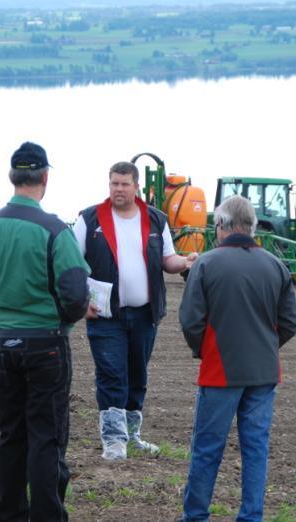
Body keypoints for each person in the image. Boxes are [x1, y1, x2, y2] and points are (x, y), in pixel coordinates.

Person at [0, 142, 89, 521]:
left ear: (11, 177)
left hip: (4, 343)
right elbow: (75, 294)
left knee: (12, 435)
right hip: (47, 345)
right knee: (46, 435)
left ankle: (11, 514)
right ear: (45, 178)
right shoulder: (55, 230)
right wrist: (62, 323)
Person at [178, 195, 296, 522]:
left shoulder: (205, 263)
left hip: (220, 371)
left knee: (207, 450)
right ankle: (251, 516)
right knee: (256, 450)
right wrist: (266, 347)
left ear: (222, 226)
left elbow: (190, 320)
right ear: (252, 227)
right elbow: (290, 323)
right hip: (263, 373)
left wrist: (203, 350)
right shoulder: (276, 265)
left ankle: (195, 516)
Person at [72, 160, 197, 461]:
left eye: (124, 184)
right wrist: (78, 302)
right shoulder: (90, 220)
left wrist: (186, 262)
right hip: (105, 315)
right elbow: (71, 264)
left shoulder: (155, 220)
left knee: (137, 375)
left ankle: (132, 436)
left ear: (136, 186)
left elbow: (168, 260)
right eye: (114, 183)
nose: (118, 189)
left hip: (145, 314)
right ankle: (113, 441)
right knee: (112, 375)